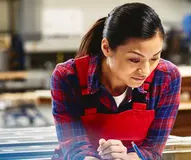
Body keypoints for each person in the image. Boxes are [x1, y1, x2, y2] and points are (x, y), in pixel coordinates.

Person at [51, 2, 181, 160]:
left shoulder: (167, 78)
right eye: (134, 60)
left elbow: (152, 151)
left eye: (154, 58)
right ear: (106, 48)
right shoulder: (68, 77)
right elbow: (75, 147)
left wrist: (125, 157)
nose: (146, 71)